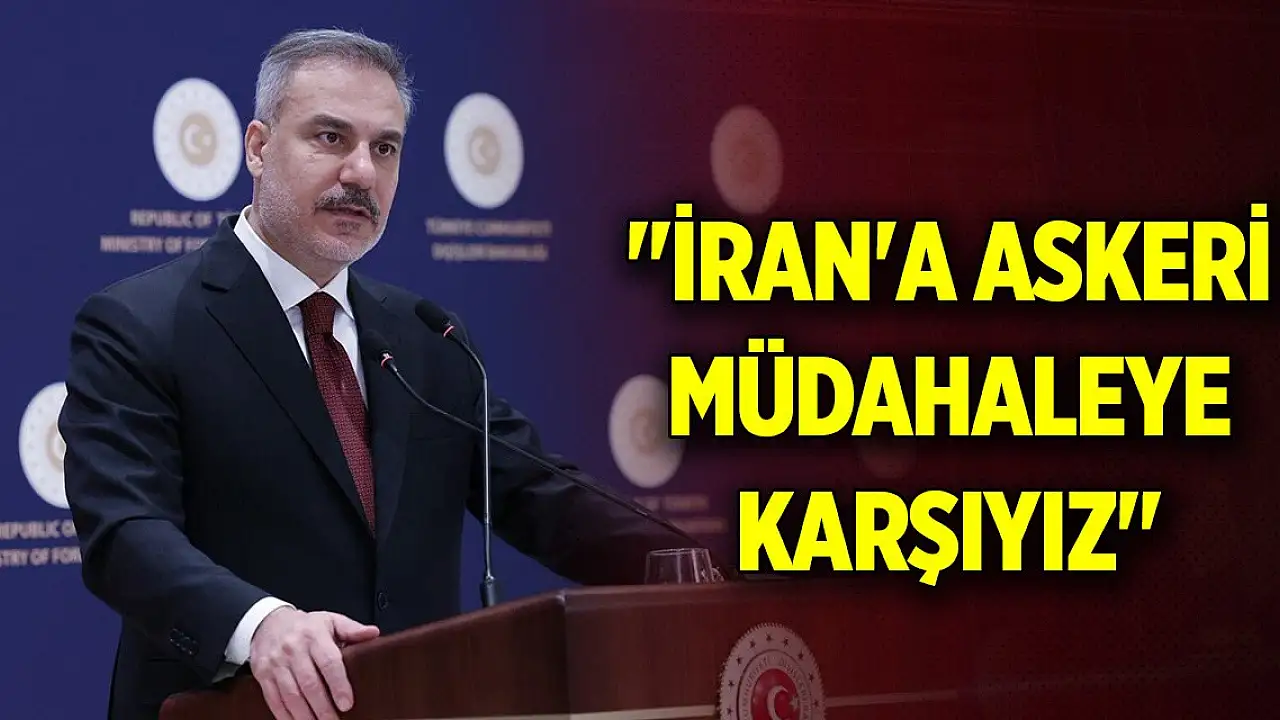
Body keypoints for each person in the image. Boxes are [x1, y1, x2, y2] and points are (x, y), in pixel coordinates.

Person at [58, 28, 707, 720]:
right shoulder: (140, 324)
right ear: (257, 147)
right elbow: (126, 533)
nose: (362, 173)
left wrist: (708, 568)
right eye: (330, 137)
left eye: (385, 147)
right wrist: (261, 625)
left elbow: (539, 492)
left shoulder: (426, 337)